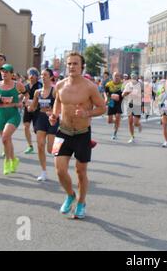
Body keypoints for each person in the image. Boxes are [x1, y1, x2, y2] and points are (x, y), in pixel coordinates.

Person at [49, 52, 106, 219]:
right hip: (63, 131)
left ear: (82, 67)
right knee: (60, 170)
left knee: (80, 172)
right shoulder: (59, 85)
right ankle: (70, 195)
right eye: (69, 64)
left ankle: (81, 202)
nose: (72, 66)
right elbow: (57, 104)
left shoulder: (90, 87)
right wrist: (54, 116)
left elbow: (102, 108)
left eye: (75, 64)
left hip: (82, 133)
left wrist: (86, 113)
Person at [0, 64, 27, 175]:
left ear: (11, 74)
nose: (4, 74)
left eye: (6, 72)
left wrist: (21, 103)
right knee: (7, 140)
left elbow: (26, 94)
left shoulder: (17, 85)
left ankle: (6, 162)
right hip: (1, 115)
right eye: (2, 72)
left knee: (5, 137)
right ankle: (14, 160)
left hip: (13, 115)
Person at [28, 69, 59, 181]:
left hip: (52, 119)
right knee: (40, 145)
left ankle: (62, 150)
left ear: (51, 77)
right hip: (40, 119)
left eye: (45, 75)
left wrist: (54, 112)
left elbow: (60, 106)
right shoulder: (37, 92)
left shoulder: (55, 91)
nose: (42, 76)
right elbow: (33, 107)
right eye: (41, 75)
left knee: (50, 149)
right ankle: (43, 172)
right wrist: (28, 106)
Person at [21, 68, 42, 154]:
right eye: (30, 74)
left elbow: (42, 97)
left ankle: (41, 144)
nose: (31, 76)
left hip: (37, 109)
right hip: (27, 109)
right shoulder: (25, 86)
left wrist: (33, 103)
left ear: (37, 76)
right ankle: (30, 146)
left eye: (33, 74)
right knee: (26, 126)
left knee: (37, 130)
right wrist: (22, 101)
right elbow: (22, 96)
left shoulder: (40, 85)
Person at [122, 72, 142, 144]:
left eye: (135, 77)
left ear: (137, 77)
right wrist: (126, 93)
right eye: (132, 76)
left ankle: (139, 124)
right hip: (130, 104)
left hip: (137, 105)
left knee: (135, 123)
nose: (133, 78)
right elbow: (123, 94)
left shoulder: (140, 85)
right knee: (130, 122)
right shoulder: (128, 84)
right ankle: (132, 137)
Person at [105, 72, 123, 140]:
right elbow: (105, 92)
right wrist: (107, 98)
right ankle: (116, 121)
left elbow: (125, 93)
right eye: (115, 76)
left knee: (118, 116)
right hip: (111, 101)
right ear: (112, 77)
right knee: (109, 121)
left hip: (119, 102)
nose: (117, 77)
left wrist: (122, 96)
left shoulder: (123, 85)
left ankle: (115, 134)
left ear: (120, 77)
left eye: (118, 76)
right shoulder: (108, 84)